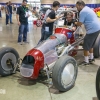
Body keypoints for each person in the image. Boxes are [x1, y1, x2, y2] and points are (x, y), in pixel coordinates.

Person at [75, 0, 100, 65]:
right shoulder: (88, 8)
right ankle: (91, 58)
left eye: (77, 6)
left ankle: (86, 61)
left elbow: (80, 23)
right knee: (91, 45)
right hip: (97, 28)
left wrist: (74, 22)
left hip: (92, 29)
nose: (76, 8)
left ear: (80, 6)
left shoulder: (82, 12)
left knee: (85, 46)